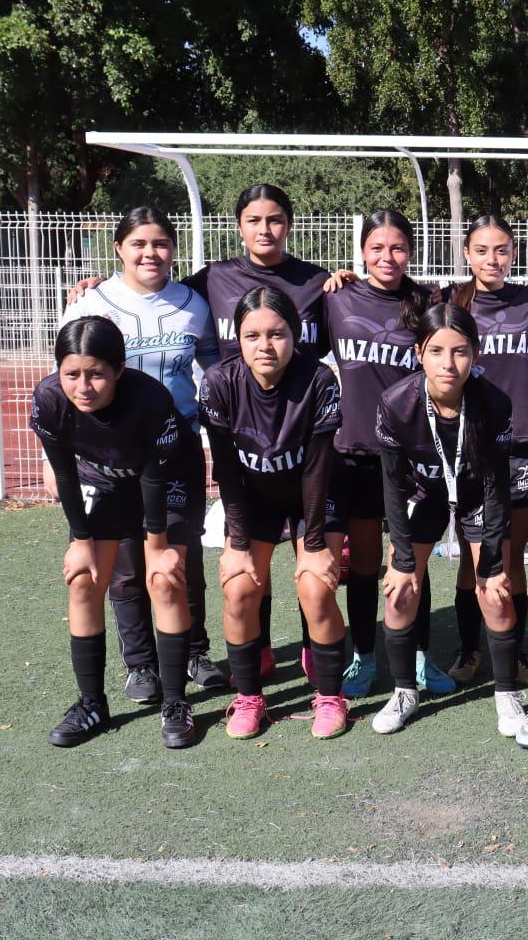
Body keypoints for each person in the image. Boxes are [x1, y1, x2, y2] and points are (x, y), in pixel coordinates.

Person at [71, 184, 334, 678]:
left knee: (276, 558)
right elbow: (144, 290)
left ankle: (287, 653)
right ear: (238, 226)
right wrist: (93, 288)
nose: (264, 229)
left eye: (275, 219)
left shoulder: (316, 283)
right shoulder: (210, 281)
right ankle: (187, 659)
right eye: (253, 220)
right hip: (213, 437)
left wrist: (348, 279)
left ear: (289, 224)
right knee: (184, 561)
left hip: (277, 433)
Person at [55, 207, 223, 699]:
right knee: (126, 565)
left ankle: (193, 652)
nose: (150, 253)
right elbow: (70, 377)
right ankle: (141, 665)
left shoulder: (194, 303)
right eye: (138, 244)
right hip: (111, 456)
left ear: (173, 249)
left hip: (177, 450)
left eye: (160, 243)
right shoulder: (92, 302)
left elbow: (212, 369)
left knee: (180, 560)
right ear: (119, 249)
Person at [31, 316, 196, 749]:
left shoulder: (148, 399)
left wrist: (158, 546)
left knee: (163, 581)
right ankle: (91, 703)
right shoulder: (49, 400)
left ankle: (176, 703)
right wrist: (81, 540)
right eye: (72, 374)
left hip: (167, 478)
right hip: (103, 479)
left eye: (97, 374)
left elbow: (153, 477)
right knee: (83, 581)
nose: (83, 386)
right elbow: (65, 474)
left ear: (119, 370)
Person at [198, 288, 350, 740]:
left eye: (277, 334)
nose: (265, 345)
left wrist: (317, 545)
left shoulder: (319, 379)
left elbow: (318, 468)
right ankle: (248, 697)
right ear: (238, 339)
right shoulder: (219, 383)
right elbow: (225, 470)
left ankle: (330, 695)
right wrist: (238, 544)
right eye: (253, 335)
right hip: (253, 499)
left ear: (296, 334)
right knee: (240, 587)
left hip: (314, 497)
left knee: (315, 587)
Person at [322, 210, 455, 698]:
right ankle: (364, 655)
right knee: (364, 565)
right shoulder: (336, 298)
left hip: (415, 454)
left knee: (411, 562)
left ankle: (420, 656)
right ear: (361, 251)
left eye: (398, 248)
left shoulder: (427, 302)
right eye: (377, 248)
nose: (387, 257)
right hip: (356, 453)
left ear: (411, 252)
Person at [372, 304, 516, 736]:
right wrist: (400, 557)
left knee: (495, 594)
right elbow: (393, 486)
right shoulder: (395, 404)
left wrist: (491, 559)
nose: (448, 363)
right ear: (419, 353)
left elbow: (496, 487)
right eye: (436, 351)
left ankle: (507, 694)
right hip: (427, 496)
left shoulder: (494, 402)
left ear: (475, 353)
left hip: (476, 499)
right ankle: (403, 692)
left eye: (459, 351)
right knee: (399, 591)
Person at [441, 217, 528, 690]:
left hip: (520, 445)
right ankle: (470, 651)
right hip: (468, 447)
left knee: (512, 556)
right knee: (472, 556)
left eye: (501, 250)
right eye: (482, 250)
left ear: (514, 253)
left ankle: (518, 654)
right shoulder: (449, 301)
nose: (492, 259)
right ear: (466, 253)